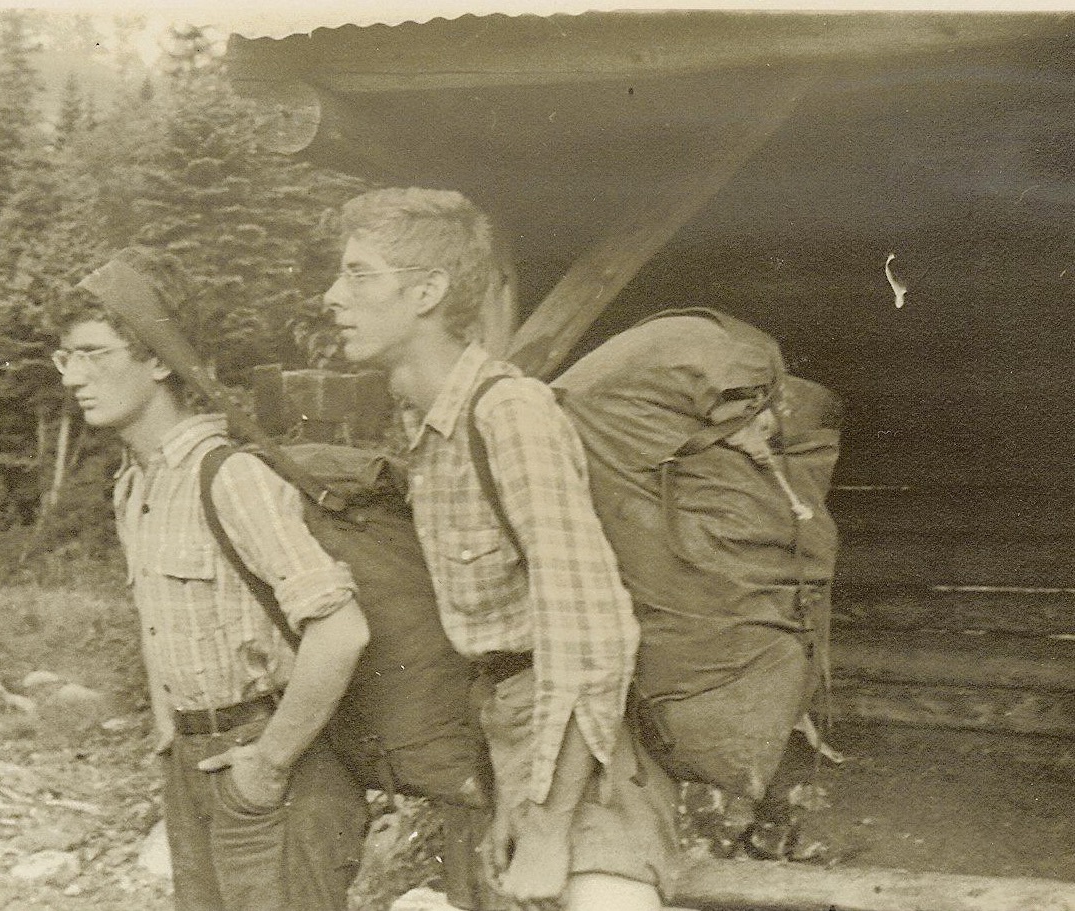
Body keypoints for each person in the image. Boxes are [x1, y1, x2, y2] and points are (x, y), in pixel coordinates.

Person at [323, 188, 679, 910]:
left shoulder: (508, 414)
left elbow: (593, 632)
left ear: (427, 293)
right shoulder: (432, 432)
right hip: (511, 731)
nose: (333, 297)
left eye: (359, 275)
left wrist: (548, 827)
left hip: (578, 751)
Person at [55, 246, 369, 911]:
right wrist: (170, 731)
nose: (74, 377)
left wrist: (266, 765)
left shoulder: (229, 476)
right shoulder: (136, 483)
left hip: (270, 765)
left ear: (159, 359)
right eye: (66, 358)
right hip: (195, 767)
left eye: (94, 354)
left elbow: (339, 632)